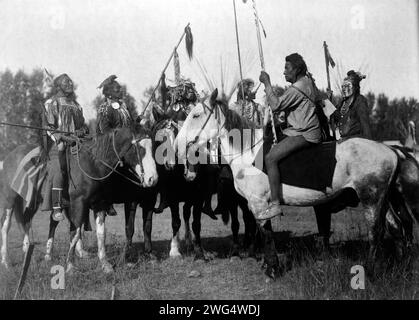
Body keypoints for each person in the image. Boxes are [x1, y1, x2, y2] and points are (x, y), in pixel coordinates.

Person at [259, 53, 322, 220]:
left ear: (297, 69)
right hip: (301, 129)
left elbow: (276, 105)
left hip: (304, 133)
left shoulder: (297, 88)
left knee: (270, 158)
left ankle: (274, 204)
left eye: (287, 68)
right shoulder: (307, 82)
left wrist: (267, 83)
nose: (284, 72)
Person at [44, 73, 89, 221]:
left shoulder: (76, 105)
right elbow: (49, 127)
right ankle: (57, 207)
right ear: (58, 86)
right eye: (66, 82)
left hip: (76, 145)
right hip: (59, 146)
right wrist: (61, 137)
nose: (70, 84)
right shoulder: (52, 103)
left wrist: (80, 132)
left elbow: (84, 126)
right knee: (58, 168)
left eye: (70, 81)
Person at [96, 75, 134, 216]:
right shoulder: (105, 108)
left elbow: (129, 124)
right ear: (109, 93)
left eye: (120, 88)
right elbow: (103, 130)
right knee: (111, 168)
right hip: (110, 146)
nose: (121, 91)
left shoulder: (124, 106)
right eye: (118, 89)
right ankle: (107, 200)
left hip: (126, 144)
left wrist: (138, 120)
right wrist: (120, 134)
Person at [330, 70, 372, 140]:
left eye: (348, 86)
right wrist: (329, 100)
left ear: (355, 87)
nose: (344, 89)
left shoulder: (360, 101)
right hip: (343, 140)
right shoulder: (342, 103)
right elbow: (335, 118)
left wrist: (369, 143)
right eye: (343, 86)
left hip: (356, 141)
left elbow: (365, 126)